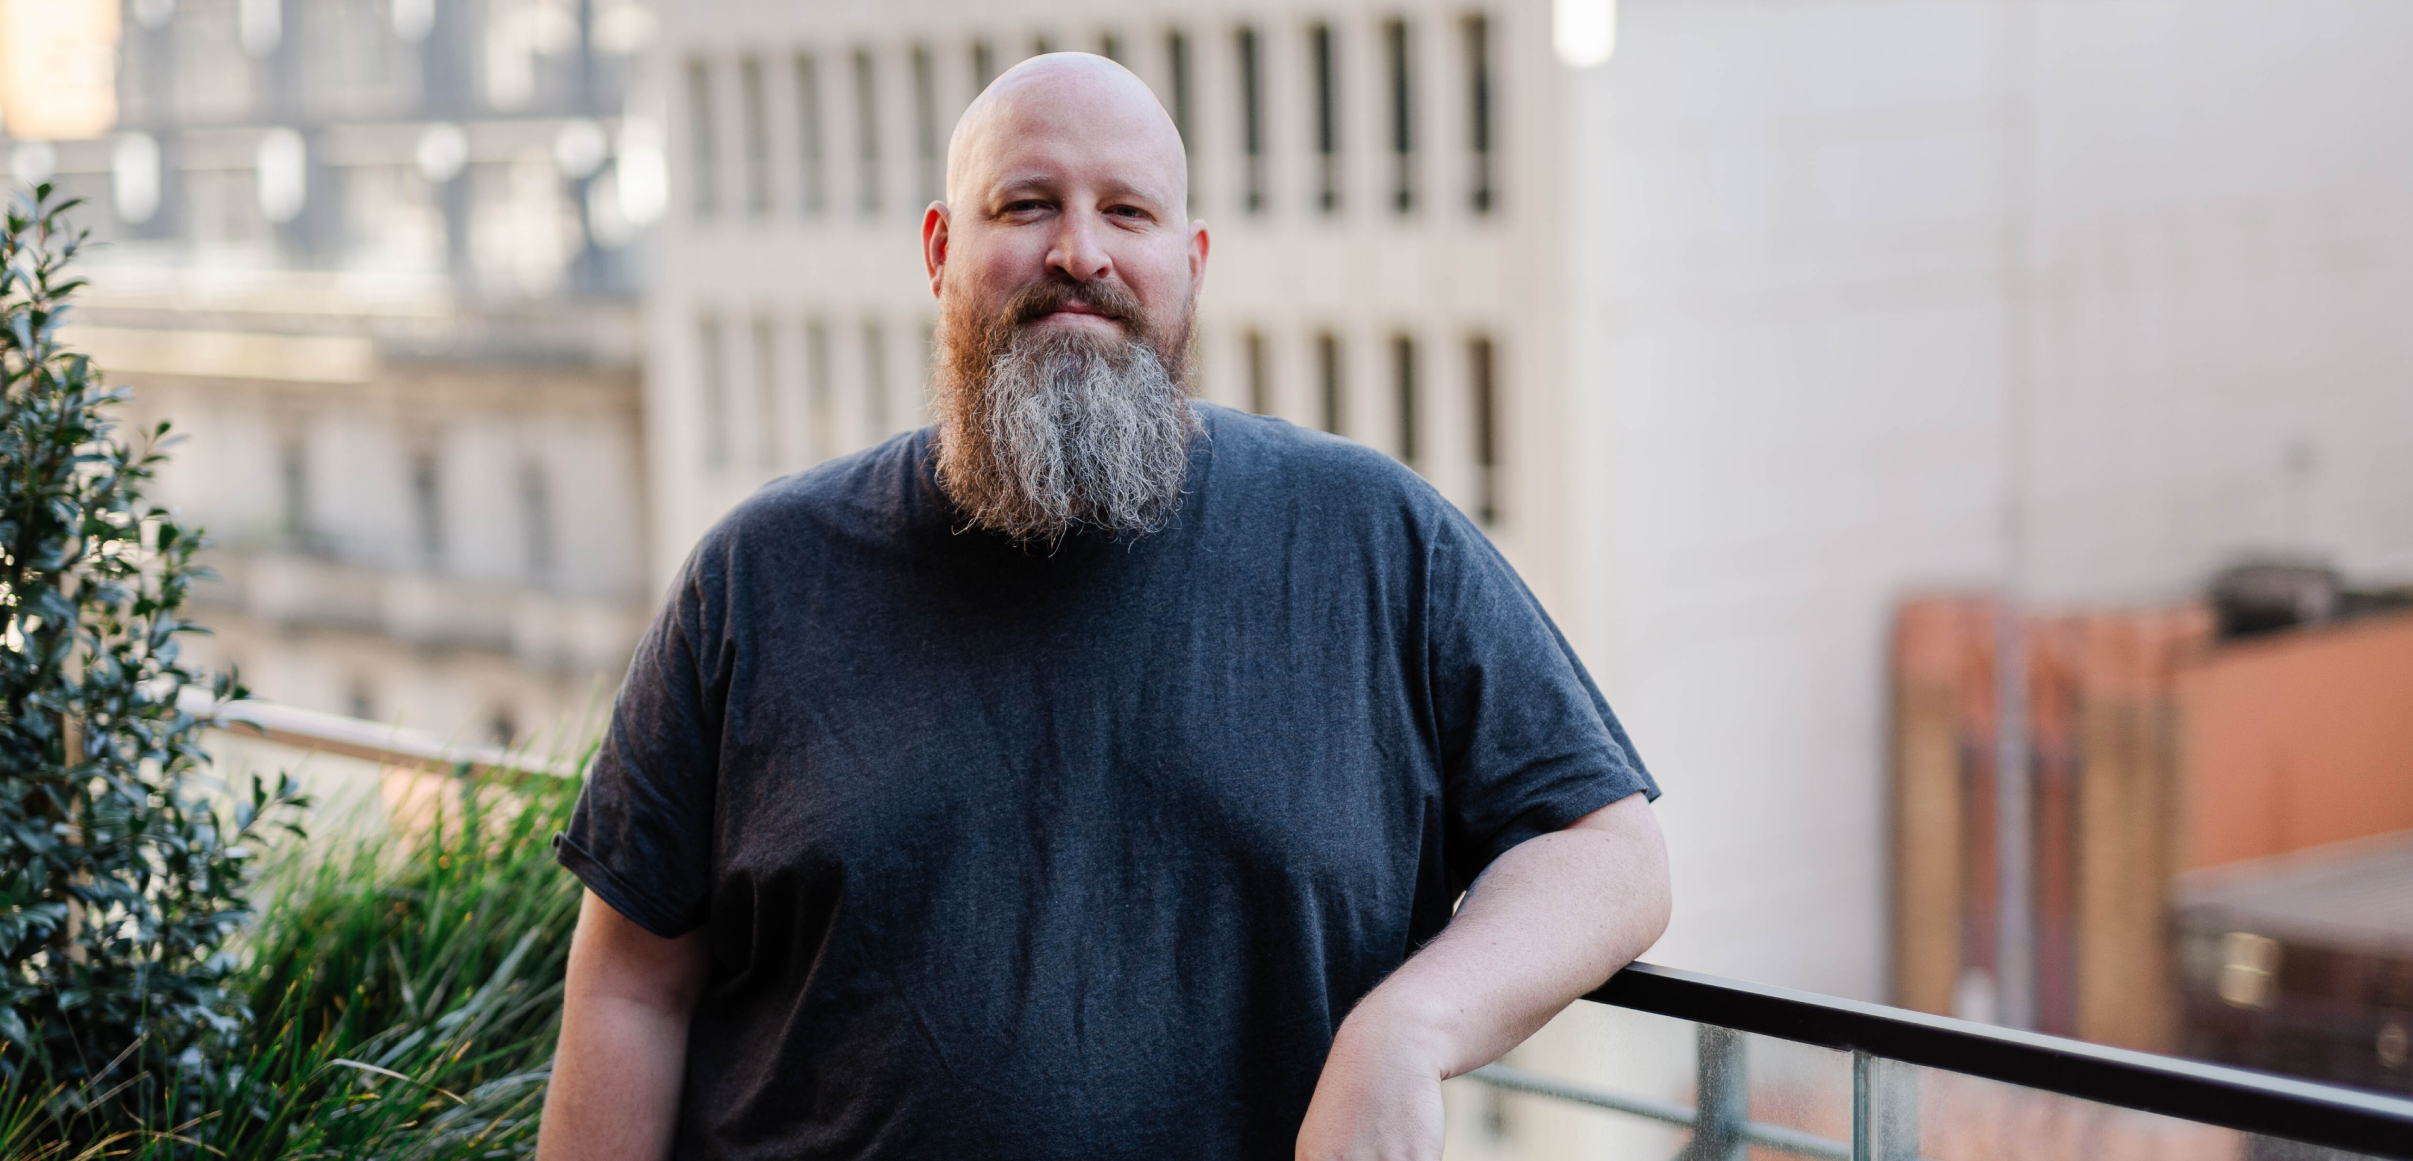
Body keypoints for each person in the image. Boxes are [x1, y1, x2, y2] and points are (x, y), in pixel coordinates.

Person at [535, 52, 1670, 1161]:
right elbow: (636, 984)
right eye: (1026, 205)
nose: (1079, 253)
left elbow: (1611, 855)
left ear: (1191, 260)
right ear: (940, 252)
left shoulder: (1376, 537)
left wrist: (1409, 1031)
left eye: (1127, 212)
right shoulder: (759, 573)